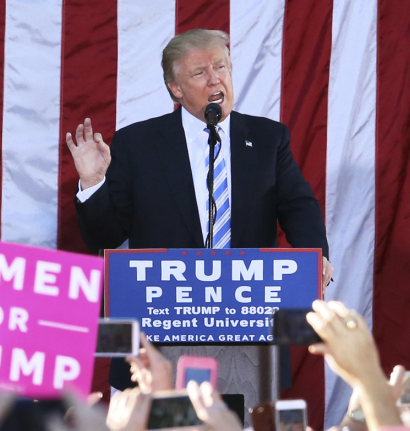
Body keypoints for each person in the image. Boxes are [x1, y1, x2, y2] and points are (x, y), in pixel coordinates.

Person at [67, 28, 330, 271]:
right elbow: (105, 239)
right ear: (176, 88)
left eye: (220, 67)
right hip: (167, 299)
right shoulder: (137, 143)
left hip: (248, 294)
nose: (215, 79)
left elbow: (298, 206)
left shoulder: (268, 138)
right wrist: (92, 183)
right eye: (199, 73)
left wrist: (317, 257)